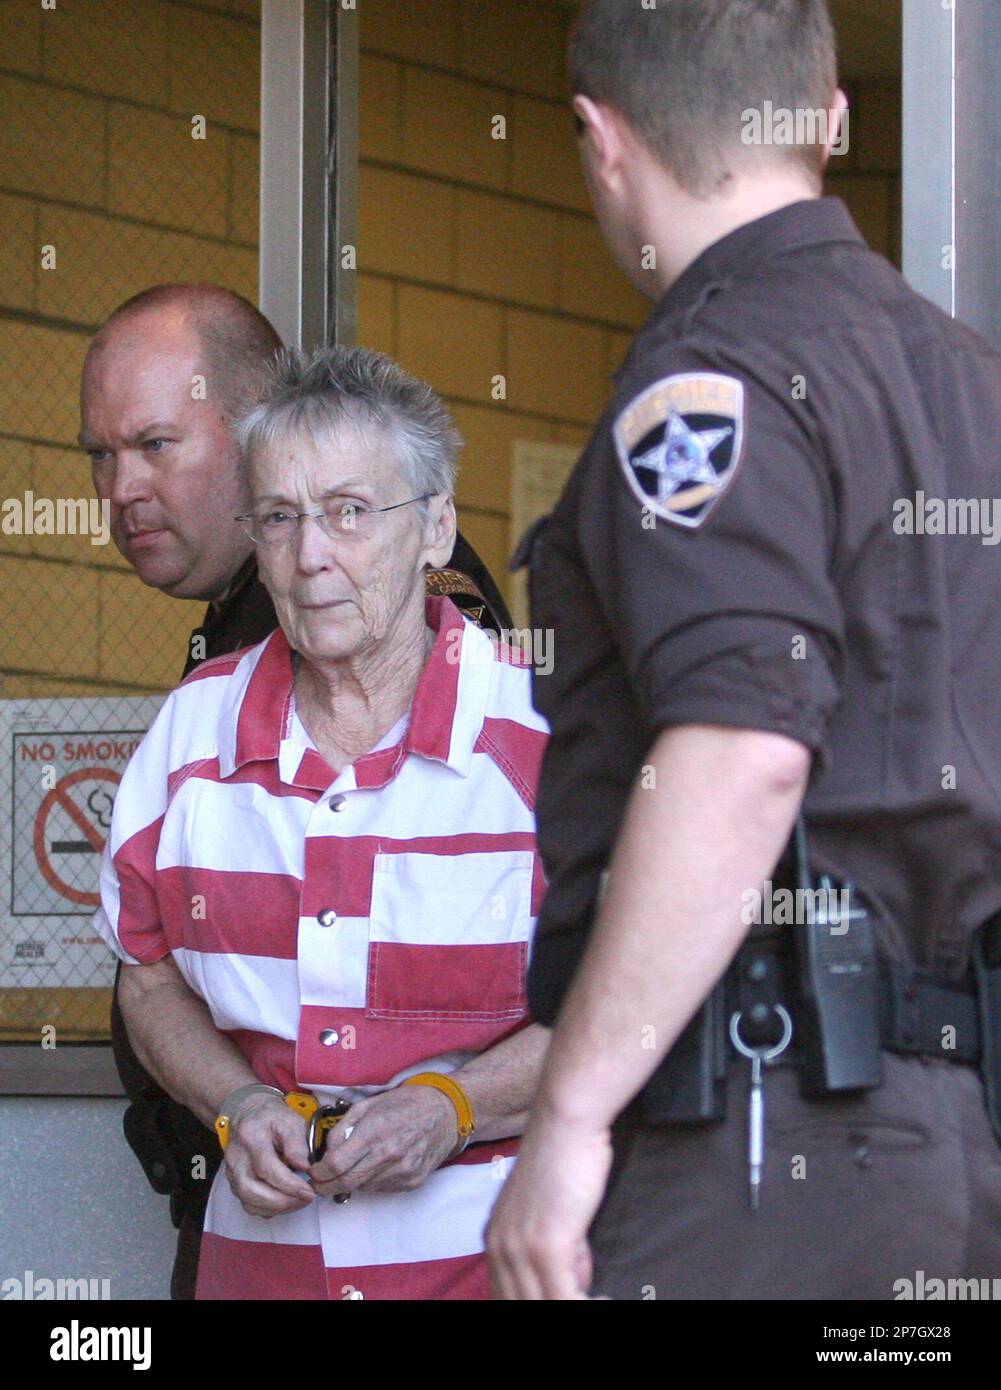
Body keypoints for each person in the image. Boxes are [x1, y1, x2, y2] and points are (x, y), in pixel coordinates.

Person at [488, 0, 1001, 1300]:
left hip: (763, 1141)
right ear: (830, 118)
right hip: (953, 1133)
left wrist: (568, 1110)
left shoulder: (705, 381)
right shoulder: (971, 384)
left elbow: (741, 745)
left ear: (600, 142)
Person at [79, 284, 514, 1298]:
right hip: (256, 1234)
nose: (122, 487)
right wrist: (229, 1102)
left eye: (153, 443)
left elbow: (608, 1000)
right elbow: (152, 965)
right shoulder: (202, 710)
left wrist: (451, 1102)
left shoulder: (475, 678)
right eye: (98, 455)